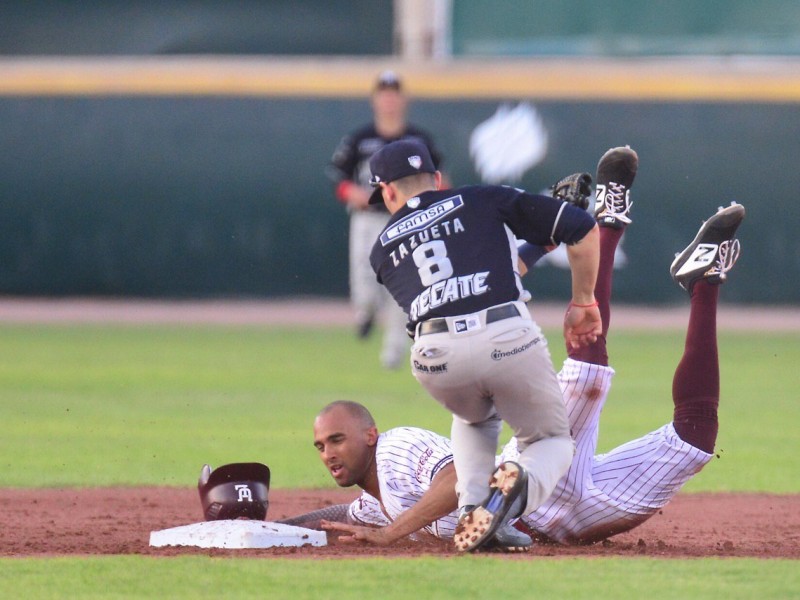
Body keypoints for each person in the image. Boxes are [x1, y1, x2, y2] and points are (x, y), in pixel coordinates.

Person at [281, 146, 746, 549]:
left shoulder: (394, 450)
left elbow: (454, 477)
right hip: (572, 522)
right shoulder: (371, 506)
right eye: (321, 445)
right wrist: (266, 526)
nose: (327, 453)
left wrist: (395, 532)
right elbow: (336, 520)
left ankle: (610, 217)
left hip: (519, 471)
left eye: (335, 439)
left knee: (584, 371)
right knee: (695, 438)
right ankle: (702, 279)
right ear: (436, 181)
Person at [364, 137, 602, 553]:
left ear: (387, 191)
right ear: (437, 179)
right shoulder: (479, 199)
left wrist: (542, 244)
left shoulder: (381, 250)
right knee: (551, 442)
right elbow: (581, 229)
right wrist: (584, 302)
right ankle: (514, 486)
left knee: (474, 415)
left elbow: (483, 276)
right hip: (504, 338)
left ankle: (473, 510)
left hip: (434, 356)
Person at [327, 70, 448, 370]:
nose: (390, 100)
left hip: (405, 219)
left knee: (403, 283)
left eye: (394, 94)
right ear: (375, 100)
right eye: (384, 94)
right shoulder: (361, 139)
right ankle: (365, 312)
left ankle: (393, 351)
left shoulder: (418, 139)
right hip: (368, 217)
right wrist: (352, 193)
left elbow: (439, 178)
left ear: (403, 99)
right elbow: (338, 177)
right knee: (364, 276)